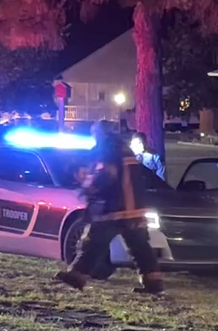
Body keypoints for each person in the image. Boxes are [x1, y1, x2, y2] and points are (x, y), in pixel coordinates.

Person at [54, 121, 164, 294]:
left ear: (100, 134)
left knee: (93, 242)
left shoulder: (107, 150)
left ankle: (76, 276)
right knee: (140, 248)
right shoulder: (123, 148)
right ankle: (153, 282)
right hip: (134, 209)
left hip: (114, 208)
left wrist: (88, 187)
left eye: (95, 133)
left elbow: (105, 175)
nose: (94, 137)